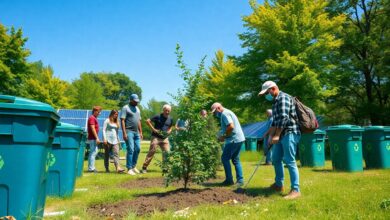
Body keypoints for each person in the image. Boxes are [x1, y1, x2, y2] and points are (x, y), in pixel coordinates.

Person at [258, 80, 301, 199]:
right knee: (276, 159)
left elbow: (284, 118)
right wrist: (269, 135)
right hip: (282, 134)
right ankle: (278, 185)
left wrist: (276, 135)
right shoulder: (275, 102)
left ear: (273, 89)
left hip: (290, 133)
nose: (266, 95)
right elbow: (275, 122)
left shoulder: (283, 98)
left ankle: (295, 190)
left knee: (290, 161)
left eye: (267, 93)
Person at [211, 102, 245, 186]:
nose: (215, 114)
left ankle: (229, 180)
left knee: (225, 158)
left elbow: (231, 126)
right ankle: (240, 181)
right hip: (239, 138)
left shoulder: (224, 114)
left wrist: (223, 136)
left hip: (233, 140)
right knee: (235, 159)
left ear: (218, 108)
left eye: (215, 112)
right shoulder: (228, 112)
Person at [141, 104, 174, 173]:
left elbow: (171, 126)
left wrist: (169, 131)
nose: (167, 112)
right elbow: (147, 121)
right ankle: (144, 167)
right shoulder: (158, 116)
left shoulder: (170, 118)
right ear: (163, 110)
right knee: (152, 151)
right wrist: (153, 129)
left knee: (167, 153)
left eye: (168, 111)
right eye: (166, 110)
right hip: (156, 137)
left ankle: (165, 168)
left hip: (165, 138)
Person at [121, 94, 143, 175]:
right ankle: (129, 168)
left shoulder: (137, 108)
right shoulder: (125, 108)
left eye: (137, 101)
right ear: (130, 100)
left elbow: (139, 121)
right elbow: (122, 120)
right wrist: (124, 133)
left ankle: (133, 166)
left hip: (136, 132)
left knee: (138, 149)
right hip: (128, 131)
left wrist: (141, 132)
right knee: (131, 149)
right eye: (135, 101)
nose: (136, 102)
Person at [87, 106, 102, 173]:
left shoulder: (93, 118)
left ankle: (91, 167)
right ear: (95, 111)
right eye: (99, 112)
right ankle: (91, 168)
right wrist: (97, 138)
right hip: (92, 138)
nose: (100, 113)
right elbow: (92, 128)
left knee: (93, 152)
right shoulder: (92, 118)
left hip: (93, 138)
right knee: (93, 152)